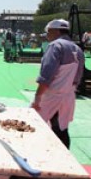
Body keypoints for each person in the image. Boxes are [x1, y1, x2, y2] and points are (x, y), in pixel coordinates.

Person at [31, 19, 84, 149]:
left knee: (35, 124)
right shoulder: (78, 50)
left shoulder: (55, 46)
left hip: (51, 95)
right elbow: (78, 78)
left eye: (48, 32)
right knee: (61, 129)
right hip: (68, 96)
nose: (47, 35)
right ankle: (65, 159)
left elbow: (46, 76)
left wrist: (37, 98)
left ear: (55, 31)